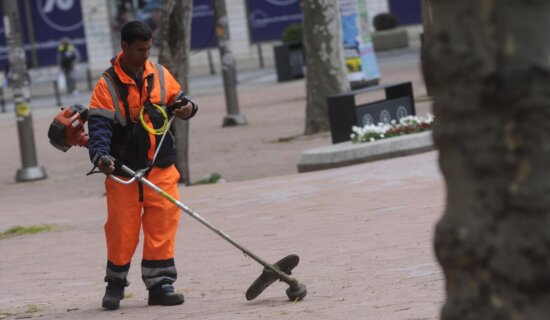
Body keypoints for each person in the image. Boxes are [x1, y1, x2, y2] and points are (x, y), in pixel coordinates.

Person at [87, 20, 198, 310]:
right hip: (122, 170)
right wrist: (101, 157)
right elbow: (99, 127)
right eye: (140, 50)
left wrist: (187, 108)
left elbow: (182, 100)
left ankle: (160, 284)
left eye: (149, 49)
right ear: (124, 47)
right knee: (122, 229)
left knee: (162, 224)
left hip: (159, 166)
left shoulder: (159, 74)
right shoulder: (106, 85)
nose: (145, 56)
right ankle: (115, 284)